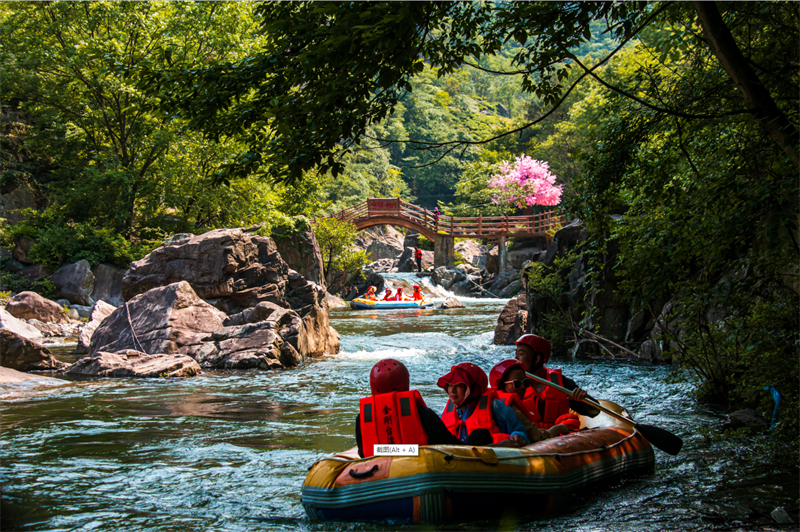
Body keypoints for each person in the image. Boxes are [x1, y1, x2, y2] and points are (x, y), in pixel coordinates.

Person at [355, 359, 468, 458]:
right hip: (420, 471)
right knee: (481, 434)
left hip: (378, 473)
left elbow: (363, 453)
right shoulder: (423, 414)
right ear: (404, 382)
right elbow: (452, 447)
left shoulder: (363, 418)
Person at [514, 334, 600, 428]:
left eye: (521, 354)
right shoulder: (514, 384)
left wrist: (582, 398)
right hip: (529, 438)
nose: (516, 359)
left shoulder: (561, 383)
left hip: (558, 438)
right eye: (516, 354)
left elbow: (595, 411)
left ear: (537, 359)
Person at [438, 362, 530, 447]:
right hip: (460, 456)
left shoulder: (495, 406)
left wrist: (517, 435)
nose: (452, 391)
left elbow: (521, 431)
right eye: (450, 385)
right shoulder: (450, 410)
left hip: (493, 455)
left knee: (479, 435)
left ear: (474, 389)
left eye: (458, 385)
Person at [490, 359, 574, 443]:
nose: (523, 387)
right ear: (502, 385)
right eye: (517, 383)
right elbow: (537, 436)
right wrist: (558, 428)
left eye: (526, 382)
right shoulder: (512, 409)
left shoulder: (492, 402)